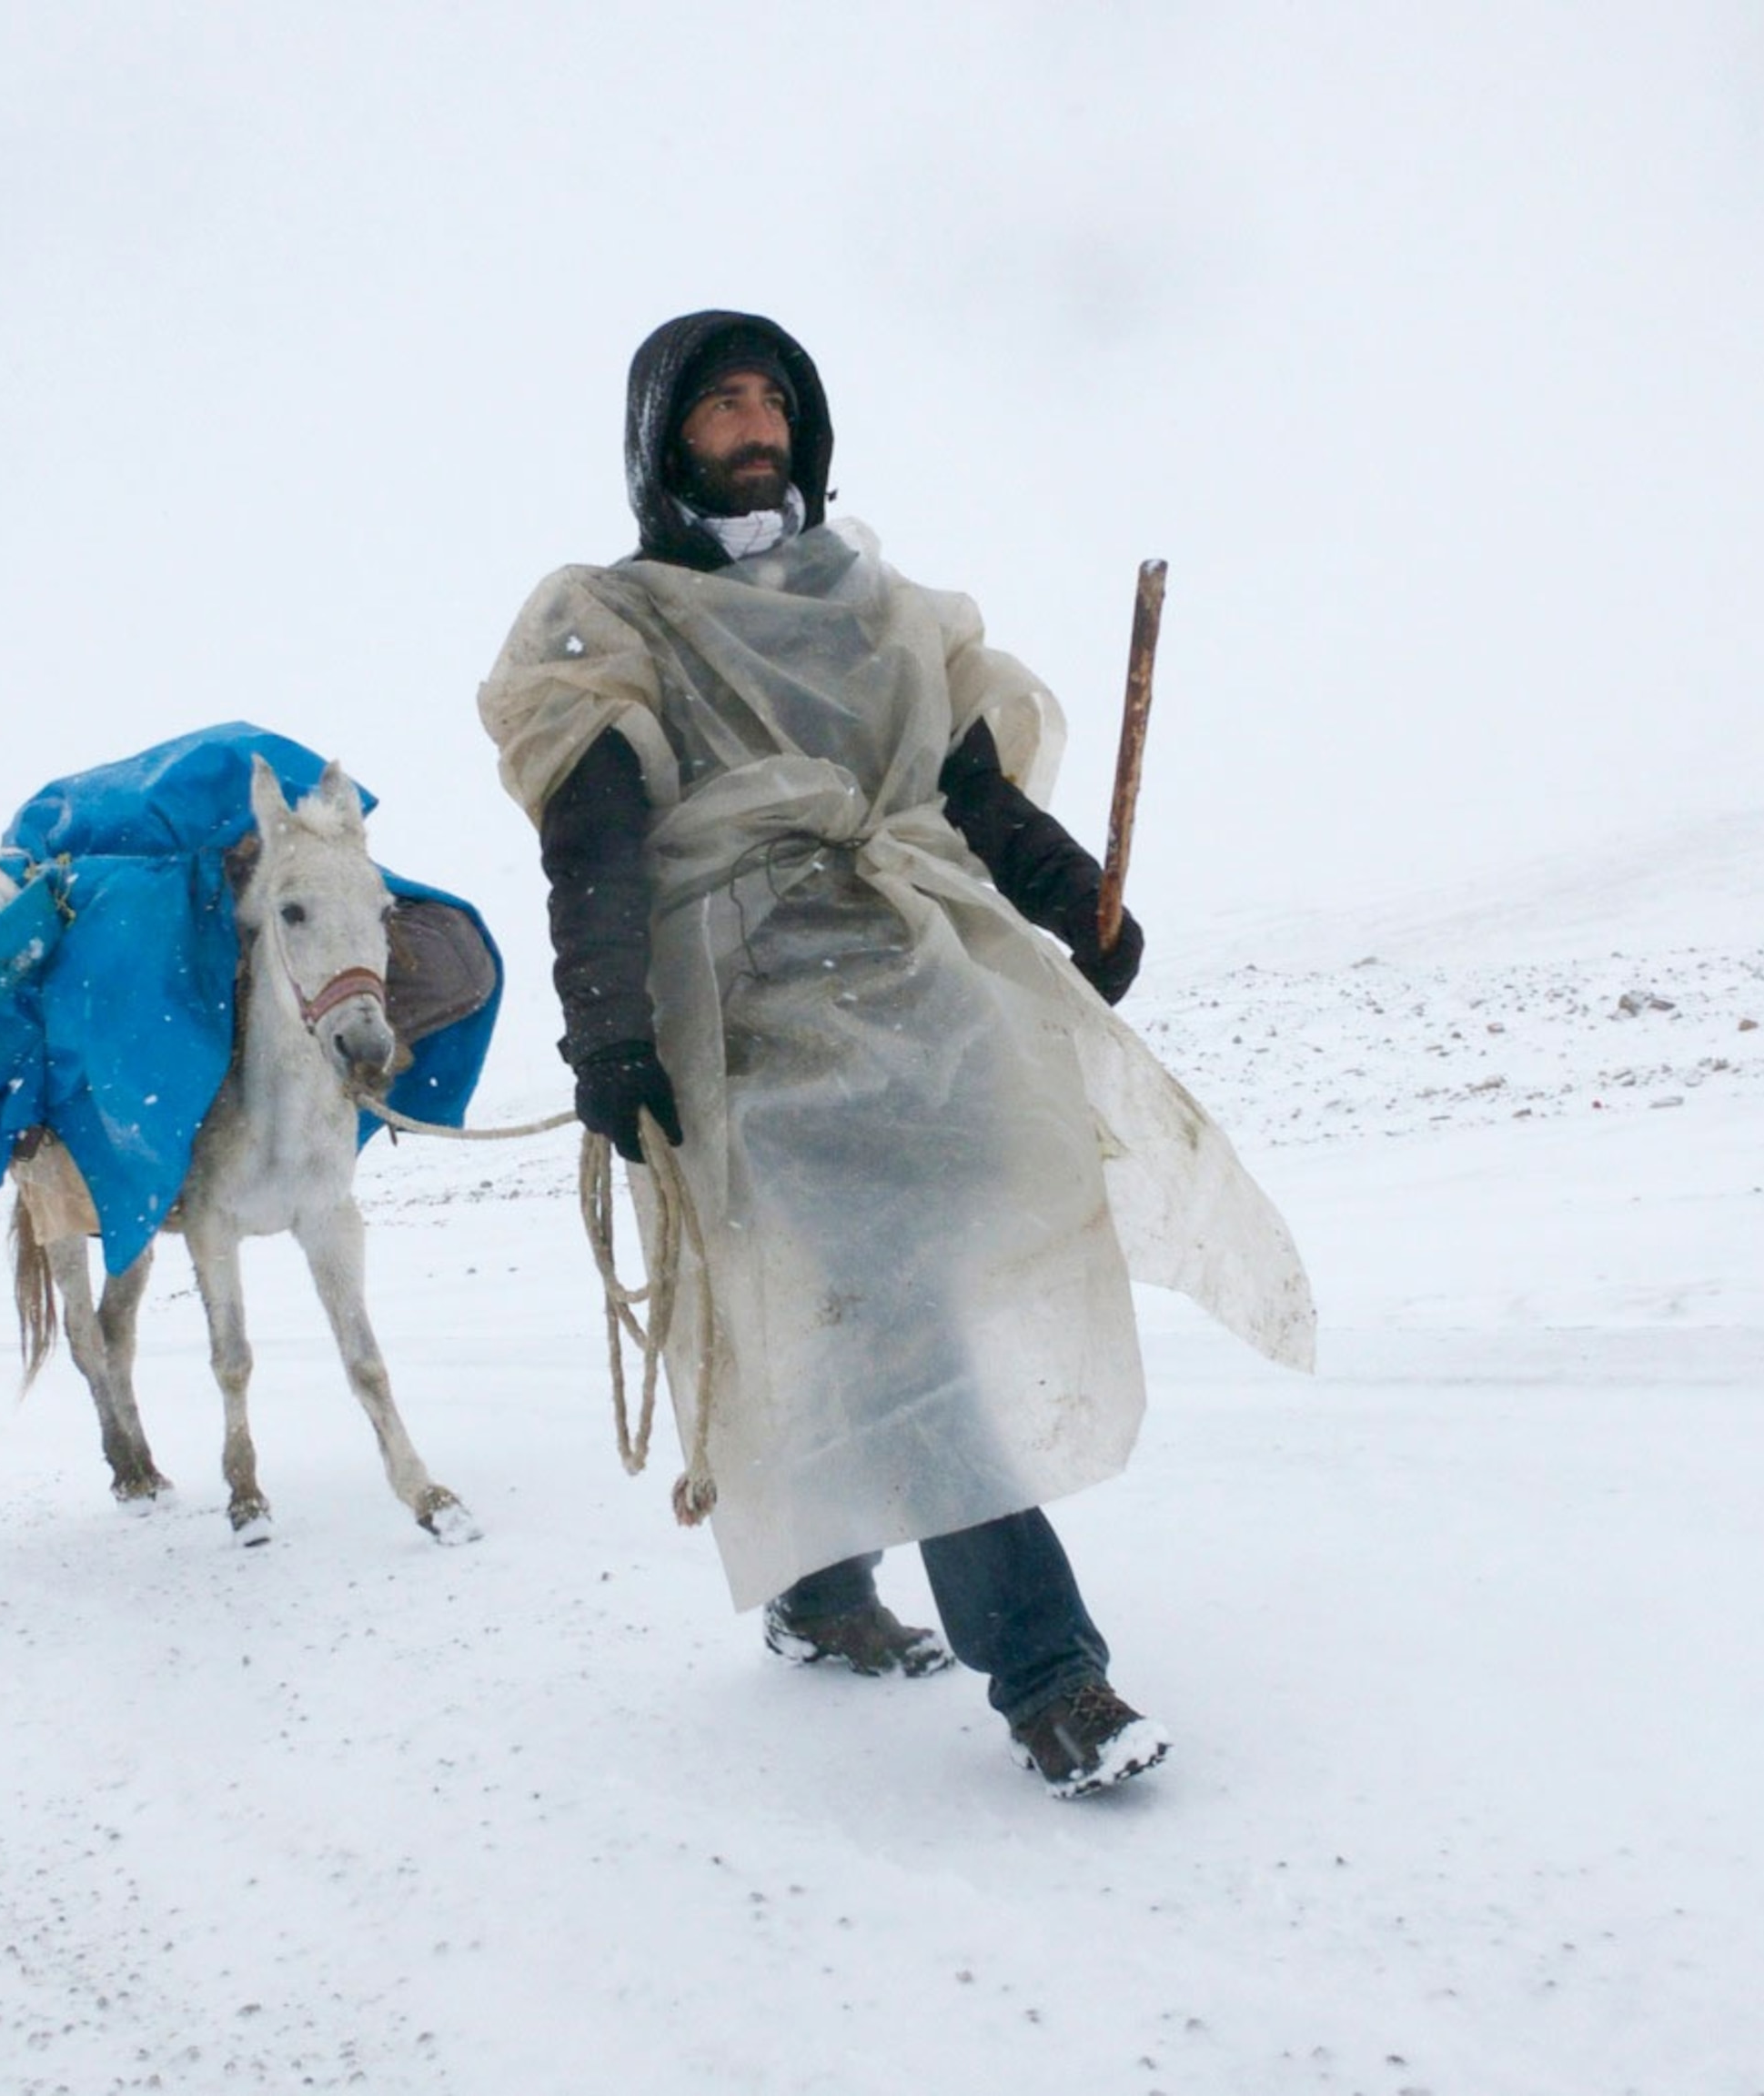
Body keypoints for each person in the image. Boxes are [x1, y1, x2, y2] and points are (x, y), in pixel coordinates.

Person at [479, 310, 1314, 1799]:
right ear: (659, 439)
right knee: (912, 1339)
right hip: (761, 1031)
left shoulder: (879, 610)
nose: (753, 426)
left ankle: (817, 1585)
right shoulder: (615, 617)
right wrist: (605, 1027)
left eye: (772, 400)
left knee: (883, 1311)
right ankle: (1053, 1676)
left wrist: (1073, 904)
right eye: (718, 403)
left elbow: (965, 788)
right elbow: (591, 830)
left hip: (923, 1002)